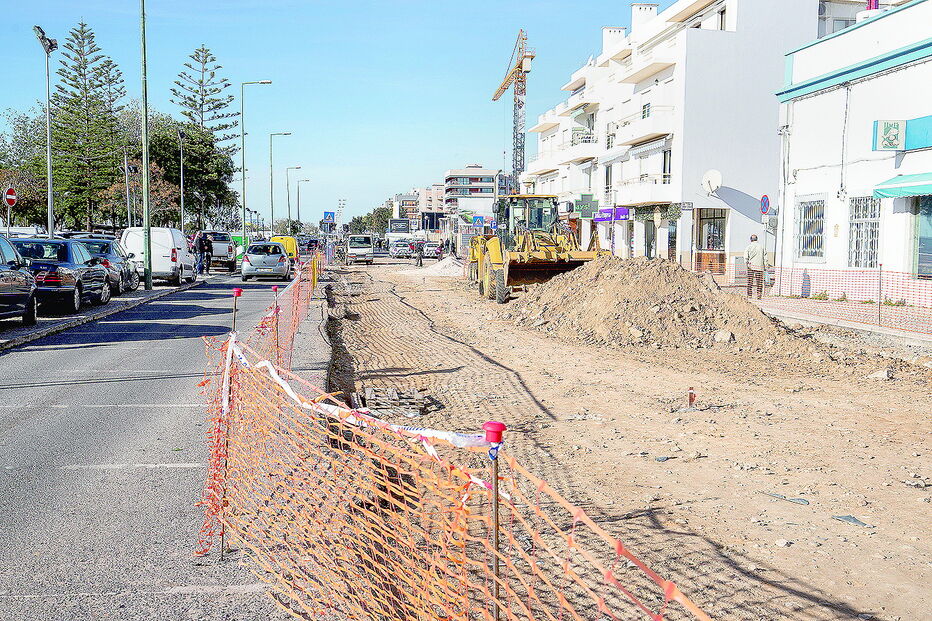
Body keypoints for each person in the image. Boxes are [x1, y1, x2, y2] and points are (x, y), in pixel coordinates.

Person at [744, 234, 766, 299]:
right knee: (759, 282)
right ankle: (759, 295)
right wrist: (765, 266)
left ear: (750, 240)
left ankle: (749, 295)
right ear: (757, 239)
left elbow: (745, 258)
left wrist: (747, 264)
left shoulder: (748, 247)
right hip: (759, 267)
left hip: (751, 266)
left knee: (750, 281)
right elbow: (765, 257)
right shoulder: (761, 247)